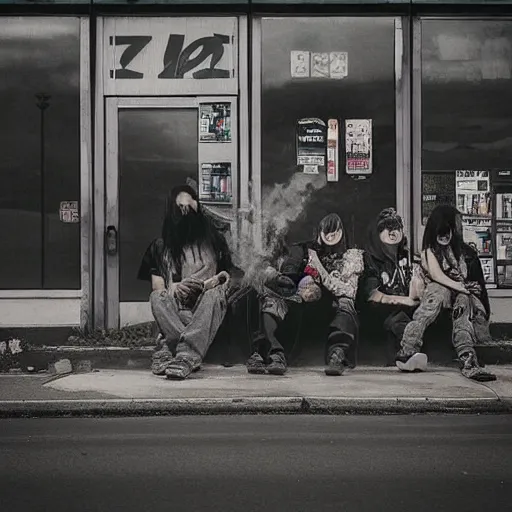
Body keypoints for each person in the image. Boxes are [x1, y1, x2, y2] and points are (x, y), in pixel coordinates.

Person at [138, 185, 237, 380]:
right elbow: (158, 289)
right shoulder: (159, 247)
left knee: (215, 294)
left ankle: (182, 353)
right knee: (157, 296)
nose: (186, 213)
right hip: (178, 312)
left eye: (190, 207)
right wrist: (174, 287)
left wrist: (211, 283)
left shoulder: (215, 242)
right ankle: (180, 345)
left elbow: (231, 277)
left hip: (205, 309)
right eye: (180, 208)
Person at [246, 213, 364, 376]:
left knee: (346, 303)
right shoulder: (305, 249)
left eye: (335, 231)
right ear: (320, 231)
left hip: (333, 301)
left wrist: (319, 271)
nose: (331, 235)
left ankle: (337, 355)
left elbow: (348, 290)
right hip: (306, 297)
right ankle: (271, 353)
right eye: (327, 230)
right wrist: (294, 278)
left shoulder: (352, 256)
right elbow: (290, 271)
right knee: (272, 299)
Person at [396, 204, 496, 381]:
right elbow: (437, 275)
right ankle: (408, 348)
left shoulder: (465, 252)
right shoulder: (429, 251)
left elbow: (475, 284)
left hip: (461, 296)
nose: (445, 235)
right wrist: (460, 286)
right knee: (436, 295)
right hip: (439, 293)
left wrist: (467, 292)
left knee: (463, 309)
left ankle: (468, 357)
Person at [359, 208, 419, 366]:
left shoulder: (407, 257)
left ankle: (408, 354)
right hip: (381, 314)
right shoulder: (370, 259)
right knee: (399, 319)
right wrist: (405, 300)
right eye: (387, 228)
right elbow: (372, 295)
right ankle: (409, 353)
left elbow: (415, 292)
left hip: (406, 311)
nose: (393, 232)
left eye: (397, 227)